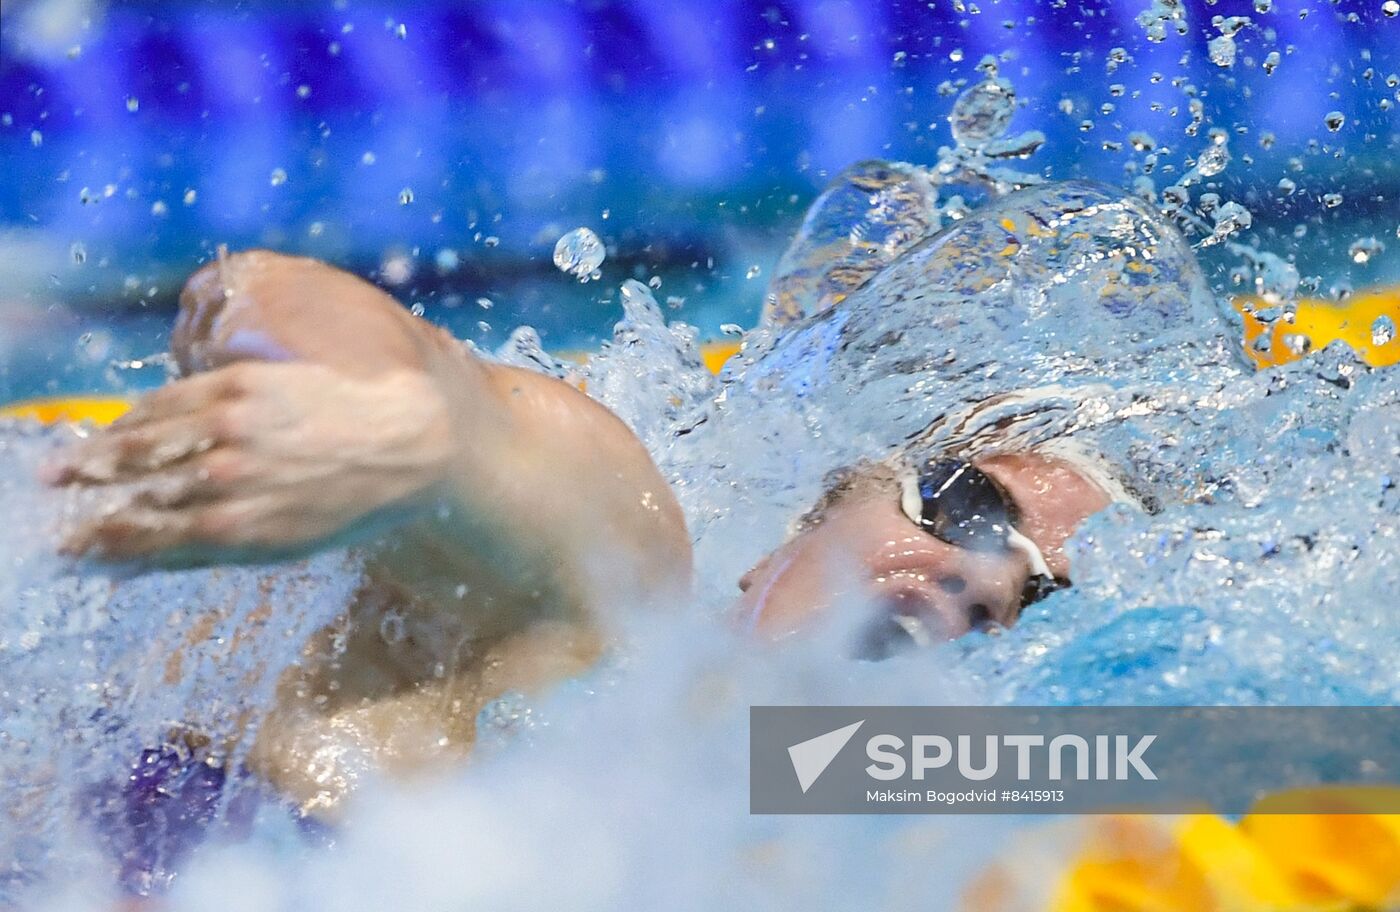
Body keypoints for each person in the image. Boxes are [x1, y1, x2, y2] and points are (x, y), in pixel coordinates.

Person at [43, 175, 1173, 817]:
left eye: (1034, 601)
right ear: (811, 512)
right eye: (964, 509)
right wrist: (387, 423)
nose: (968, 580)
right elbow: (290, 303)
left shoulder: (771, 826)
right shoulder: (606, 596)